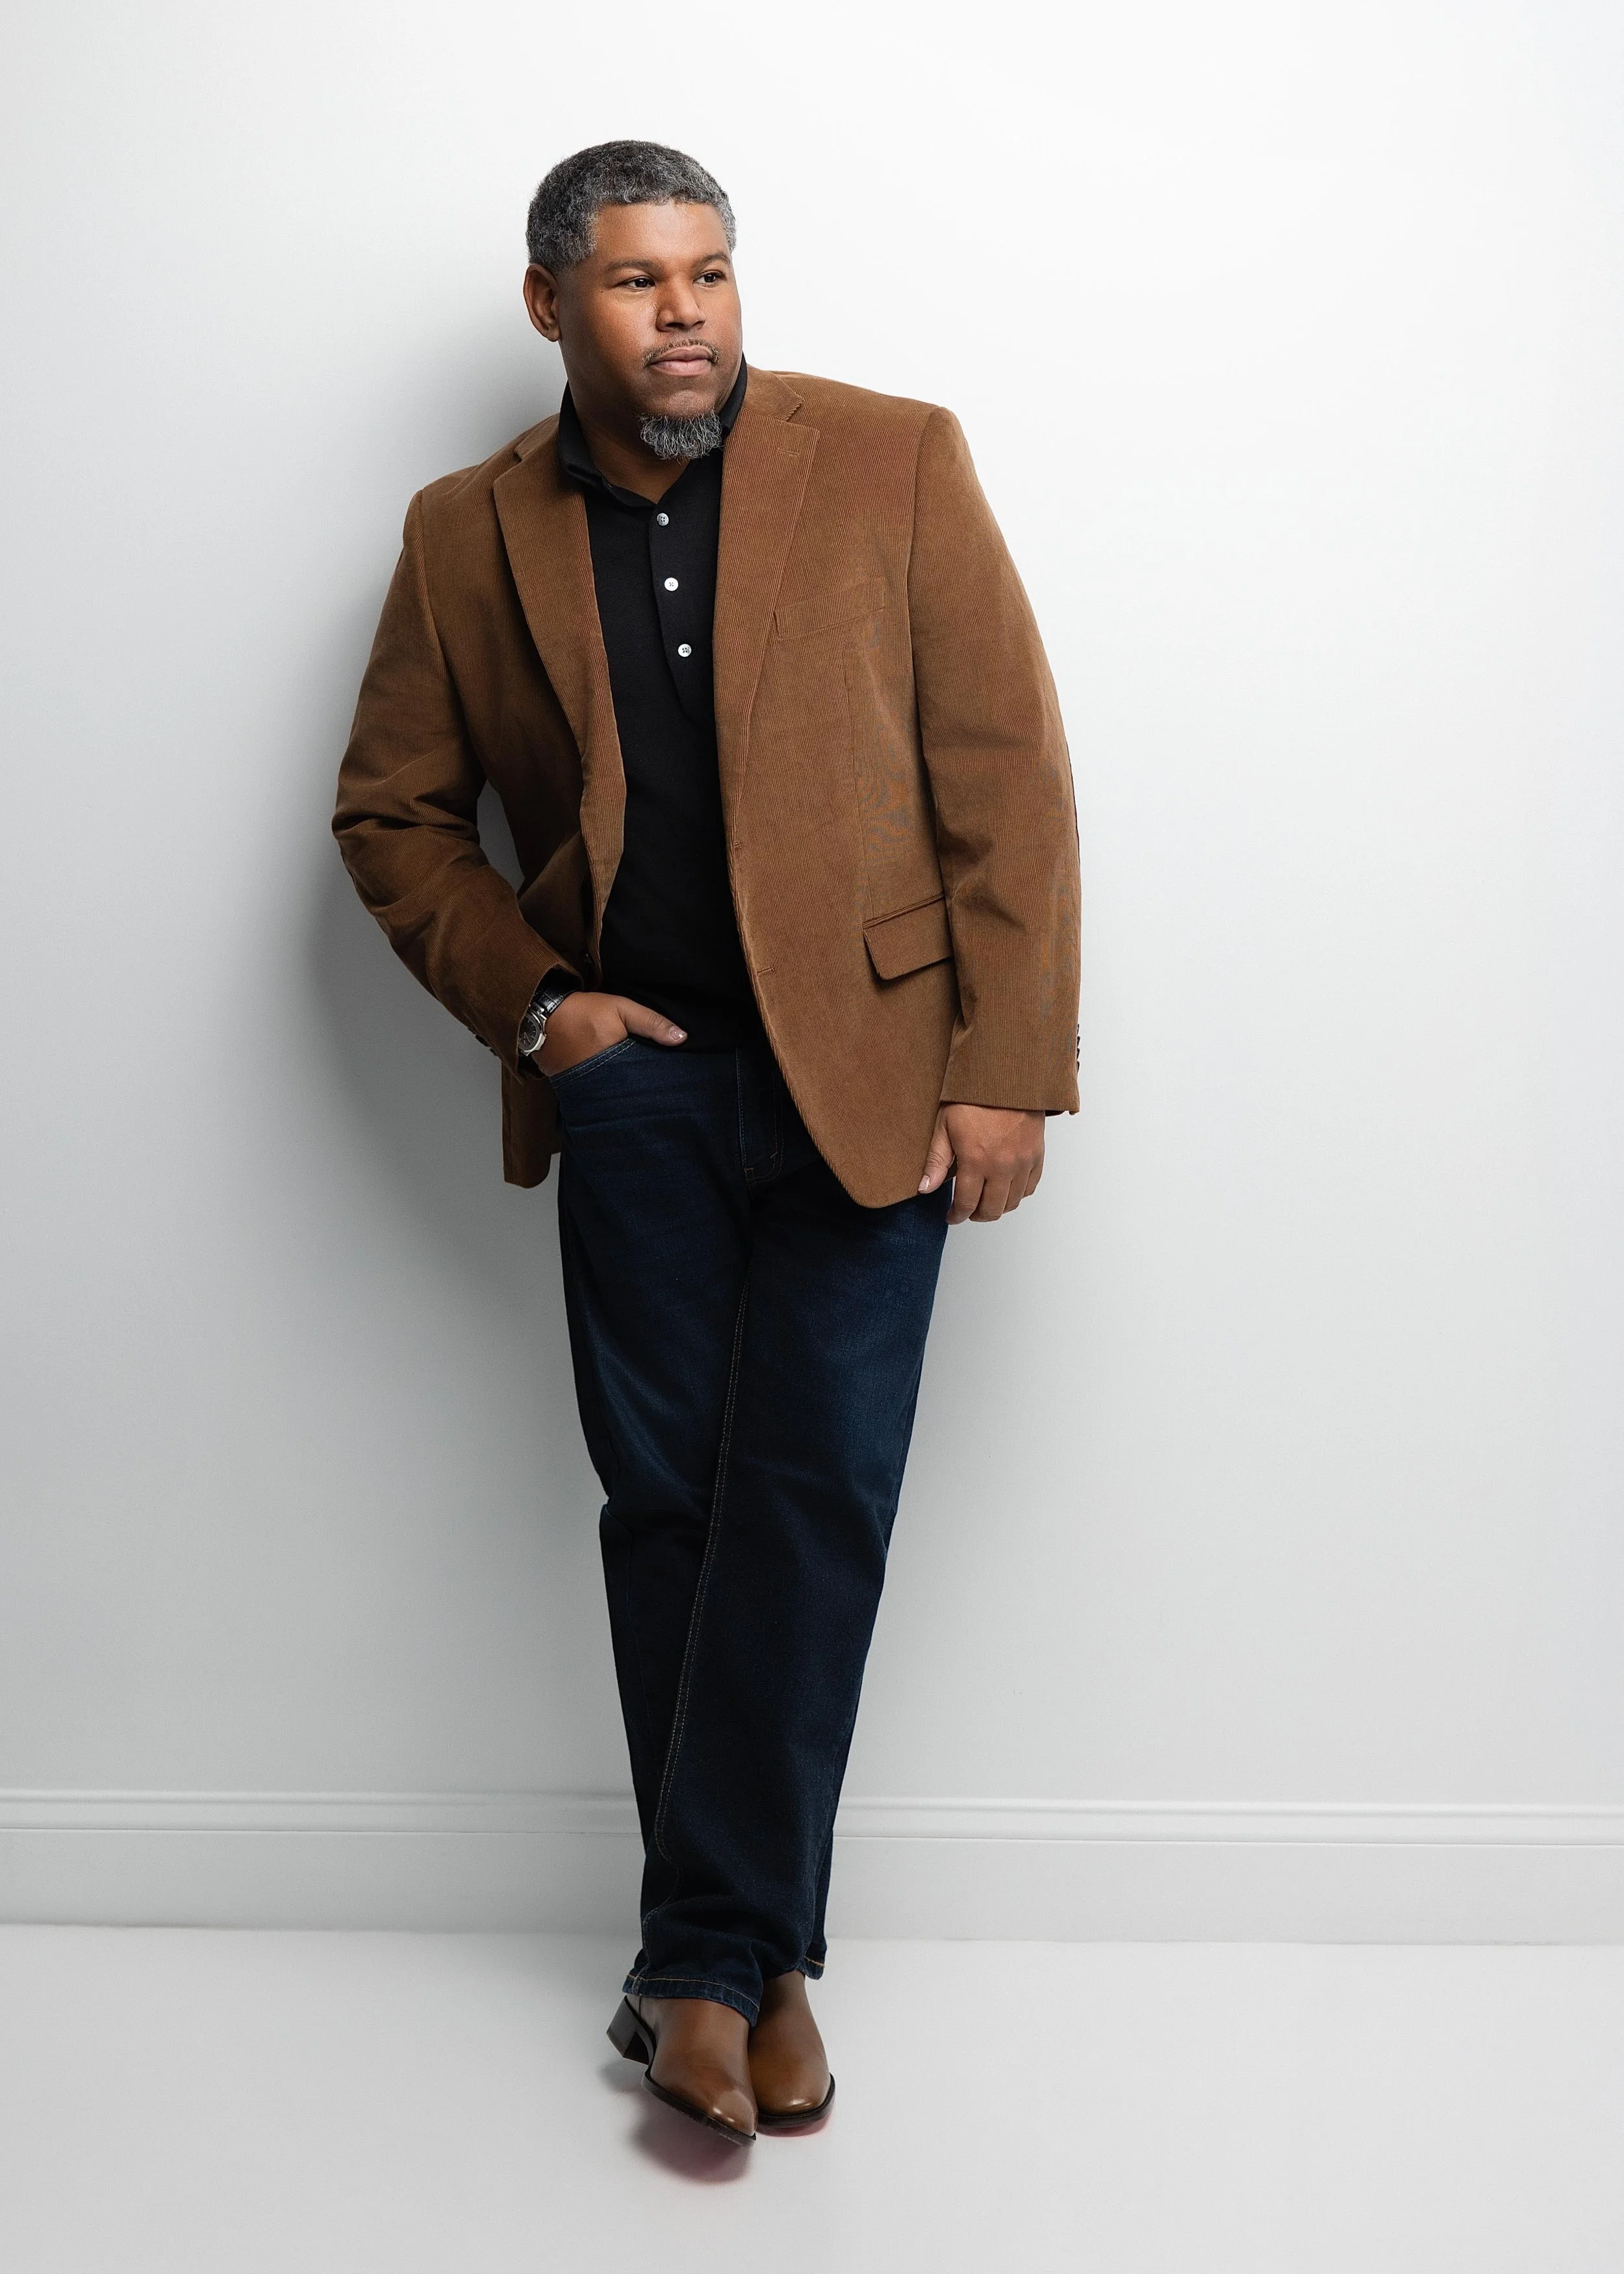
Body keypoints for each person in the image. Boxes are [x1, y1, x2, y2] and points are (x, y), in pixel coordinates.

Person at [333, 140, 1080, 2146]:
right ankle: (750, 1963)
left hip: (875, 1077)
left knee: (812, 1493)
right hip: (640, 1081)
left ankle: (712, 1961)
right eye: (639, 281)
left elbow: (1005, 775)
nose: (685, 313)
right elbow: (391, 815)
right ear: (549, 306)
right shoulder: (461, 531)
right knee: (666, 1501)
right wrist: (540, 1008)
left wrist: (1010, 1063)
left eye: (713, 273)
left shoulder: (890, 457)